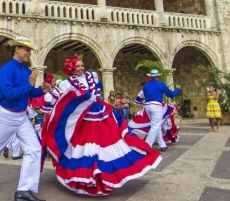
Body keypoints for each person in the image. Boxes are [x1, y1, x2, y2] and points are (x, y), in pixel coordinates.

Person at [41, 54, 162, 196]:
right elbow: (50, 98)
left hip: (100, 114)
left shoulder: (91, 76)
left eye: (82, 65)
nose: (81, 68)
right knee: (87, 147)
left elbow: (96, 91)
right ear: (71, 69)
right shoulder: (67, 84)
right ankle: (89, 177)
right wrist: (47, 90)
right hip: (84, 120)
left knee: (108, 142)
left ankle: (104, 175)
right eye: (78, 66)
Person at [0, 35, 49, 201]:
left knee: (35, 148)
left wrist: (41, 90)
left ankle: (24, 190)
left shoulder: (25, 70)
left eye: (29, 50)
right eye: (26, 49)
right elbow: (9, 94)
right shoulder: (7, 70)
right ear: (17, 49)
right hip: (7, 115)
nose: (29, 52)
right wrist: (29, 84)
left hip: (21, 116)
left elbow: (29, 92)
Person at [143, 69, 181, 152]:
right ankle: (147, 145)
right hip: (156, 106)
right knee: (155, 126)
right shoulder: (160, 85)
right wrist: (178, 89)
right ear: (158, 76)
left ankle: (162, 144)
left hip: (147, 106)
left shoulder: (146, 86)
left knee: (157, 125)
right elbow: (171, 94)